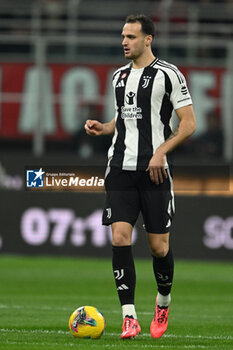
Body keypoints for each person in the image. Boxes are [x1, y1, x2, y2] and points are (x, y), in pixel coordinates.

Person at [85, 14, 196, 339]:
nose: (124, 42)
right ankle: (129, 316)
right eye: (123, 36)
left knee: (159, 248)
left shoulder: (169, 74)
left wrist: (161, 152)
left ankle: (162, 302)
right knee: (120, 237)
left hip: (155, 172)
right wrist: (103, 127)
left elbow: (188, 124)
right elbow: (123, 120)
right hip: (120, 167)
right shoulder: (119, 77)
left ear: (148, 39)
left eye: (131, 37)